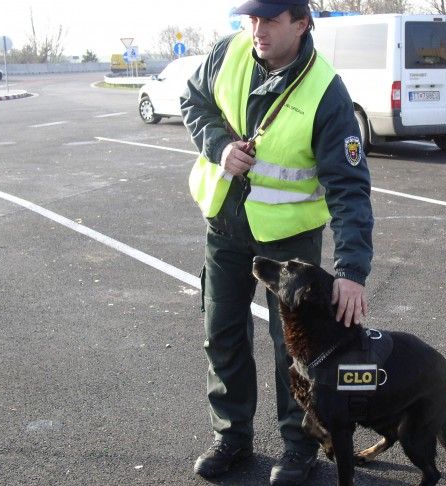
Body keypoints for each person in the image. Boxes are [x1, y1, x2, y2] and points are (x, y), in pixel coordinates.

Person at [180, 0, 373, 484]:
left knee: (295, 350)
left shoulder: (326, 90)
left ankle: (299, 446)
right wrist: (219, 146)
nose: (257, 29)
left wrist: (350, 271)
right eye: (251, 19)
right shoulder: (228, 53)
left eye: (269, 20)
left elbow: (348, 187)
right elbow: (194, 102)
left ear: (301, 23)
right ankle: (231, 437)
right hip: (224, 226)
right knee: (221, 332)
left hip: (289, 242)